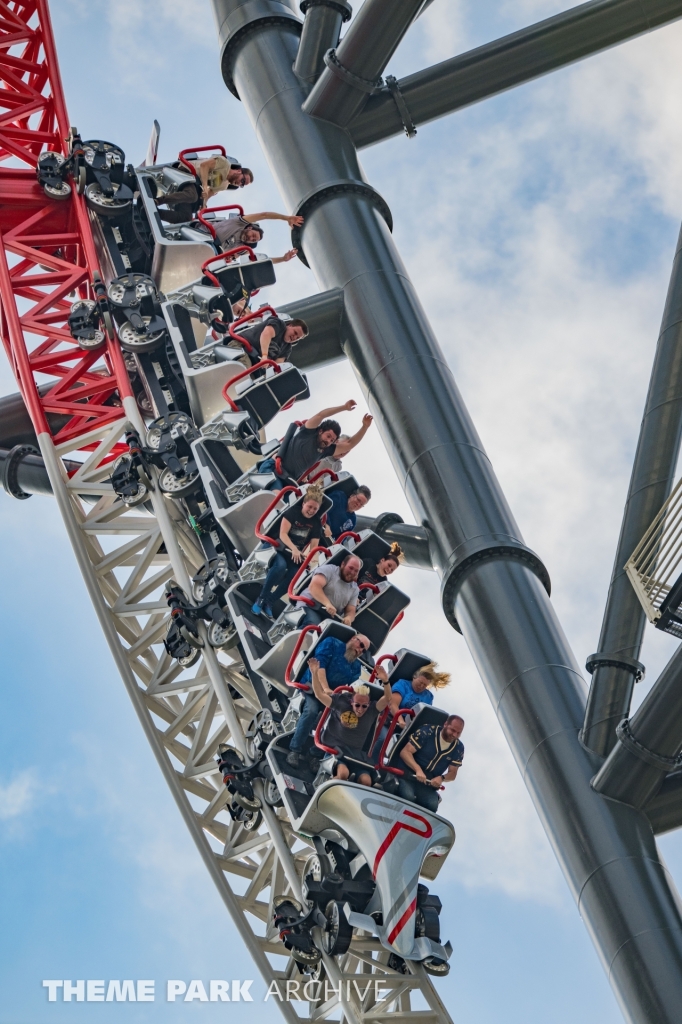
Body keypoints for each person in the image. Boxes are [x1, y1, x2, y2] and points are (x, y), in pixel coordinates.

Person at [285, 632, 371, 768]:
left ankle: (315, 753)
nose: (360, 650)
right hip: (312, 688)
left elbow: (349, 689)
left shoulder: (356, 668)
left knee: (338, 721)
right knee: (312, 711)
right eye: (360, 645)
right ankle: (294, 750)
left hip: (331, 698)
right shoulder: (332, 642)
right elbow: (320, 666)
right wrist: (325, 687)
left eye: (364, 650)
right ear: (353, 638)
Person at [251, 485, 327, 619]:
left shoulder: (316, 523)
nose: (311, 511)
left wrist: (310, 556)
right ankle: (261, 598)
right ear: (303, 504)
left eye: (315, 509)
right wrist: (294, 549)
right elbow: (283, 534)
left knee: (295, 574)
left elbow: (314, 545)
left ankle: (270, 601)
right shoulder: (293, 512)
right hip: (279, 546)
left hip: (293, 553)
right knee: (280, 566)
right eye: (309, 507)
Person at [310, 668, 392, 786]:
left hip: (355, 755)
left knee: (366, 781)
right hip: (336, 750)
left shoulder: (372, 710)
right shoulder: (341, 703)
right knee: (343, 773)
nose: (360, 709)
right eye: (357, 705)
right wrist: (314, 673)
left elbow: (388, 698)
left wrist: (385, 681)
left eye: (364, 706)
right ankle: (322, 788)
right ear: (351, 702)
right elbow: (319, 695)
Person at [260, 401, 373, 484]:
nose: (329, 441)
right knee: (275, 495)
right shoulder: (309, 432)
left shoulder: (326, 450)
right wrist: (344, 407)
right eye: (328, 436)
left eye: (332, 440)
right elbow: (321, 415)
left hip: (288, 479)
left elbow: (350, 444)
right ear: (320, 431)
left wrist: (365, 427)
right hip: (274, 469)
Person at [156, 155, 253, 223]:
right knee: (192, 196)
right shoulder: (224, 163)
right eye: (243, 180)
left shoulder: (224, 185)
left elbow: (208, 194)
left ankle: (156, 214)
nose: (240, 184)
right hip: (187, 173)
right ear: (239, 171)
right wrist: (205, 186)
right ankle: (158, 201)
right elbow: (204, 166)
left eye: (242, 185)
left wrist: (204, 205)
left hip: (194, 187)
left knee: (186, 218)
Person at [398, 715, 464, 812]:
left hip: (427, 785)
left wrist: (442, 778)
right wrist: (417, 769)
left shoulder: (459, 748)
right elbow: (405, 752)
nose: (454, 735)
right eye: (453, 730)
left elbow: (453, 773)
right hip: (407, 775)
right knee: (407, 796)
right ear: (445, 724)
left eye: (458, 733)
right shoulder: (427, 731)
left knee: (432, 804)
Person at [212, 211, 303, 265]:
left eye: (253, 240)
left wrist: (282, 259)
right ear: (250, 228)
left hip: (209, 252)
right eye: (253, 235)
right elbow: (264, 215)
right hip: (204, 235)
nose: (251, 238)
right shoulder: (239, 223)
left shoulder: (242, 249)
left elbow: (259, 260)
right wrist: (286, 218)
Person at [298, 552, 361, 626]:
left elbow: (351, 610)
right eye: (350, 568)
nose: (352, 572)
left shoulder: (354, 589)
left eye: (356, 571)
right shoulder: (329, 570)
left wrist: (348, 618)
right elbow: (314, 587)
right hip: (310, 605)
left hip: (328, 616)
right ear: (343, 564)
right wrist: (327, 604)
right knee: (313, 624)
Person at [230, 314, 308, 365]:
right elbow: (266, 334)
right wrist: (264, 356)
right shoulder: (279, 324)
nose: (294, 337)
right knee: (244, 368)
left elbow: (278, 363)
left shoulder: (287, 348)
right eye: (295, 333)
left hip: (255, 362)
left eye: (297, 338)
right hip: (241, 346)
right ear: (290, 325)